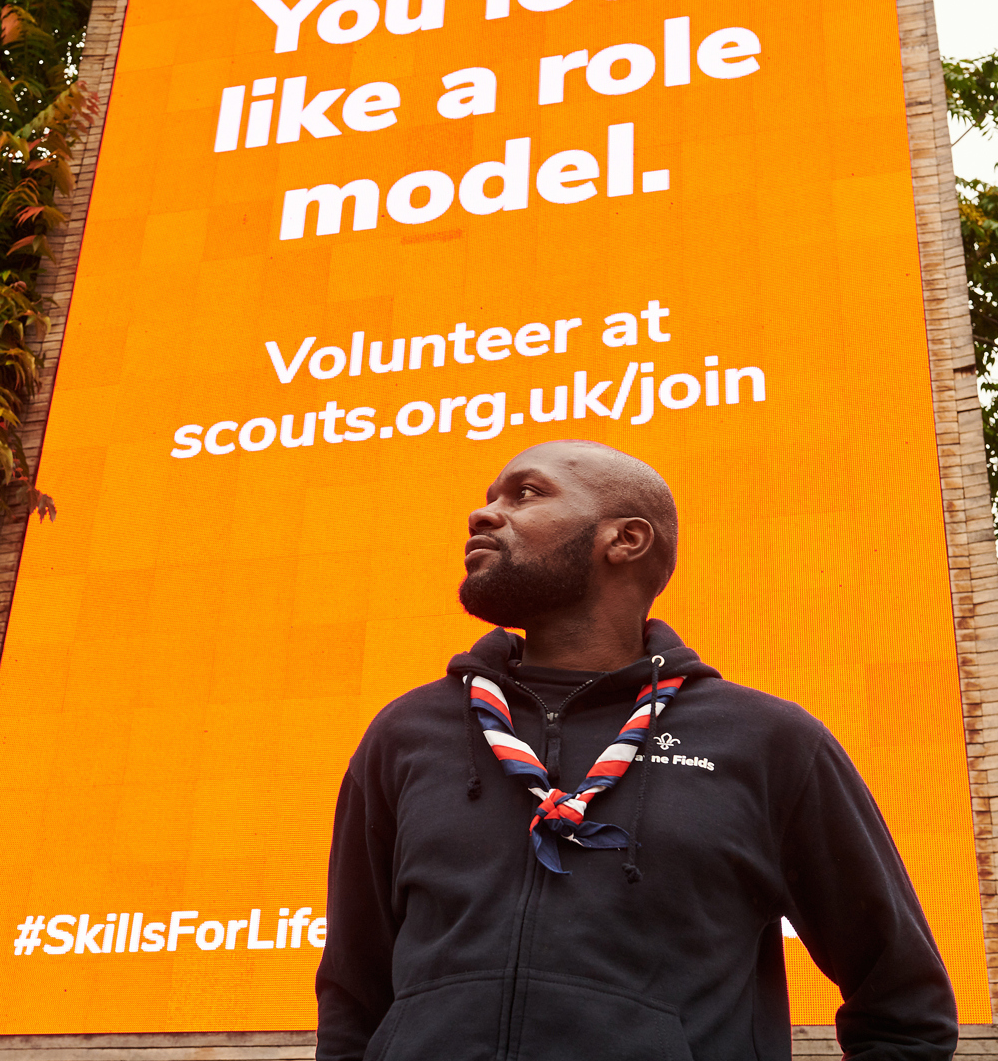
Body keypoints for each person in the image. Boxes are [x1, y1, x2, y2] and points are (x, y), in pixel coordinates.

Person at [315, 440, 959, 1061]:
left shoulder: (768, 742)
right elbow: (354, 992)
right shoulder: (406, 732)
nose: (484, 514)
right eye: (491, 497)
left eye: (526, 494)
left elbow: (905, 1011)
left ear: (625, 539)